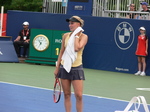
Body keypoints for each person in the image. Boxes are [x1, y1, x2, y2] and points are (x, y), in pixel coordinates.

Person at [54, 16, 88, 112]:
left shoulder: (84, 37)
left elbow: (77, 48)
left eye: (72, 23)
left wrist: (76, 35)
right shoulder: (65, 36)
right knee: (67, 94)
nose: (70, 25)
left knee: (79, 95)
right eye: (69, 23)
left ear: (79, 24)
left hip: (77, 68)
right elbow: (62, 52)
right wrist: (57, 68)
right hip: (64, 67)